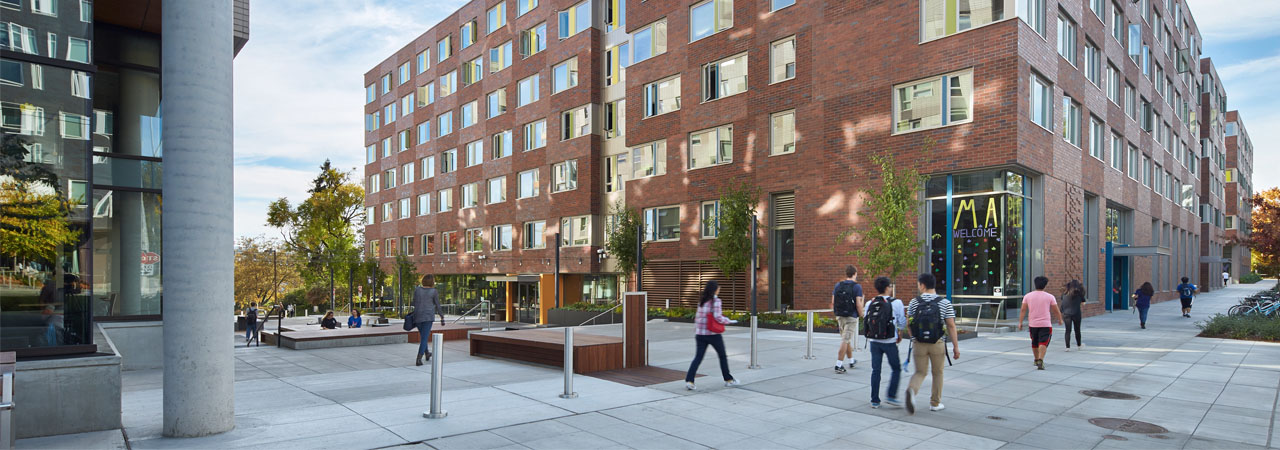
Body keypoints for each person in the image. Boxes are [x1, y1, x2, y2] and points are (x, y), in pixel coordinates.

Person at [903, 273, 958, 414]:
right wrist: (956, 347)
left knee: (920, 372)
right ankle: (935, 403)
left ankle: (911, 390)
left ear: (922, 285)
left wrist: (913, 338)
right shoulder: (944, 302)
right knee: (938, 372)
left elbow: (909, 323)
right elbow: (951, 325)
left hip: (919, 343)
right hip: (937, 343)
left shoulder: (914, 302)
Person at [685, 280, 740, 390]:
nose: (719, 290)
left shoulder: (702, 301)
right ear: (715, 289)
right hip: (713, 334)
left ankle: (690, 381)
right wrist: (729, 321)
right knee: (722, 356)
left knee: (698, 357)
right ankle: (728, 379)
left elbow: (697, 318)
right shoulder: (716, 301)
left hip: (700, 333)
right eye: (719, 288)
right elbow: (718, 317)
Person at [864, 277, 906, 408]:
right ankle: (891, 396)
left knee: (876, 370)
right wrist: (899, 332)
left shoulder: (869, 303)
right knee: (896, 368)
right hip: (889, 341)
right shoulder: (897, 302)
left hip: (874, 341)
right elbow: (902, 322)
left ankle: (874, 400)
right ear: (888, 287)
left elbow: (866, 320)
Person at [1018, 276, 1063, 370]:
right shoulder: (1050, 297)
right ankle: (1041, 360)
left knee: (1034, 342)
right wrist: (1060, 319)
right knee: (1043, 342)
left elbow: (1023, 310)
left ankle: (1036, 359)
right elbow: (1056, 310)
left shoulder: (1028, 296)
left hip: (1033, 324)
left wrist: (1020, 322)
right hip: (1045, 324)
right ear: (1045, 285)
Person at [831, 265, 865, 373]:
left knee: (847, 339)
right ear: (855, 273)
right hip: (851, 316)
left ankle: (851, 360)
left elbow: (833, 301)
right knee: (845, 340)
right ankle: (838, 365)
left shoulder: (838, 285)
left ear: (846, 274)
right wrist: (861, 315)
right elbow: (859, 304)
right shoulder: (857, 287)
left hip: (840, 316)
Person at [412, 274, 446, 366]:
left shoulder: (417, 290)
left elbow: (414, 302)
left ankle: (427, 353)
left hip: (418, 316)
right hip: (428, 317)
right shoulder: (433, 291)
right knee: (424, 337)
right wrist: (442, 317)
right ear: (432, 282)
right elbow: (438, 305)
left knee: (423, 336)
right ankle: (419, 358)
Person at [1060, 280, 1085, 351]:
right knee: (1077, 330)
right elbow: (1083, 303)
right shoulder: (1080, 294)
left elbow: (1063, 301)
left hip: (1066, 314)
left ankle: (1067, 347)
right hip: (1076, 313)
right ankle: (1079, 345)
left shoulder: (1064, 294)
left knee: (1068, 330)